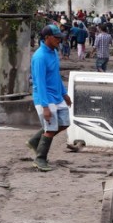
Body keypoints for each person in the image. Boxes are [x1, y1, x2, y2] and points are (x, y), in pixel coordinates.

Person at [28, 24, 71, 171]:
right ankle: (40, 159)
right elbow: (39, 82)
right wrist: (45, 106)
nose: (59, 40)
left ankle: (36, 140)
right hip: (44, 97)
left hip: (57, 96)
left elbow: (56, 76)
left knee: (64, 123)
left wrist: (64, 93)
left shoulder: (53, 52)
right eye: (57, 37)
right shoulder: (39, 57)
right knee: (51, 128)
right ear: (47, 38)